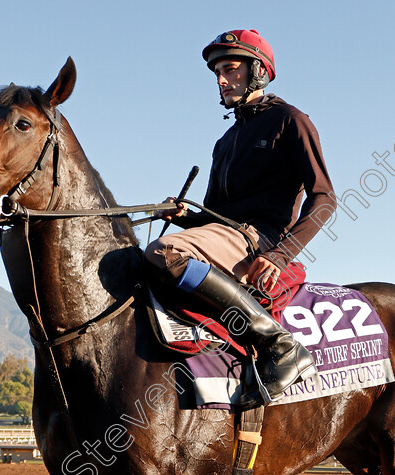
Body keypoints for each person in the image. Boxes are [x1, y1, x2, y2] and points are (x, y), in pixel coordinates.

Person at [144, 29, 336, 404]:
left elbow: (325, 198)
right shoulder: (225, 141)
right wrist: (184, 216)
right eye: (217, 72)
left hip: (258, 239)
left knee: (162, 253)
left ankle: (278, 344)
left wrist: (280, 255)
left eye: (230, 69)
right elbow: (211, 220)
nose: (221, 79)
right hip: (224, 235)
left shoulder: (291, 120)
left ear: (258, 71)